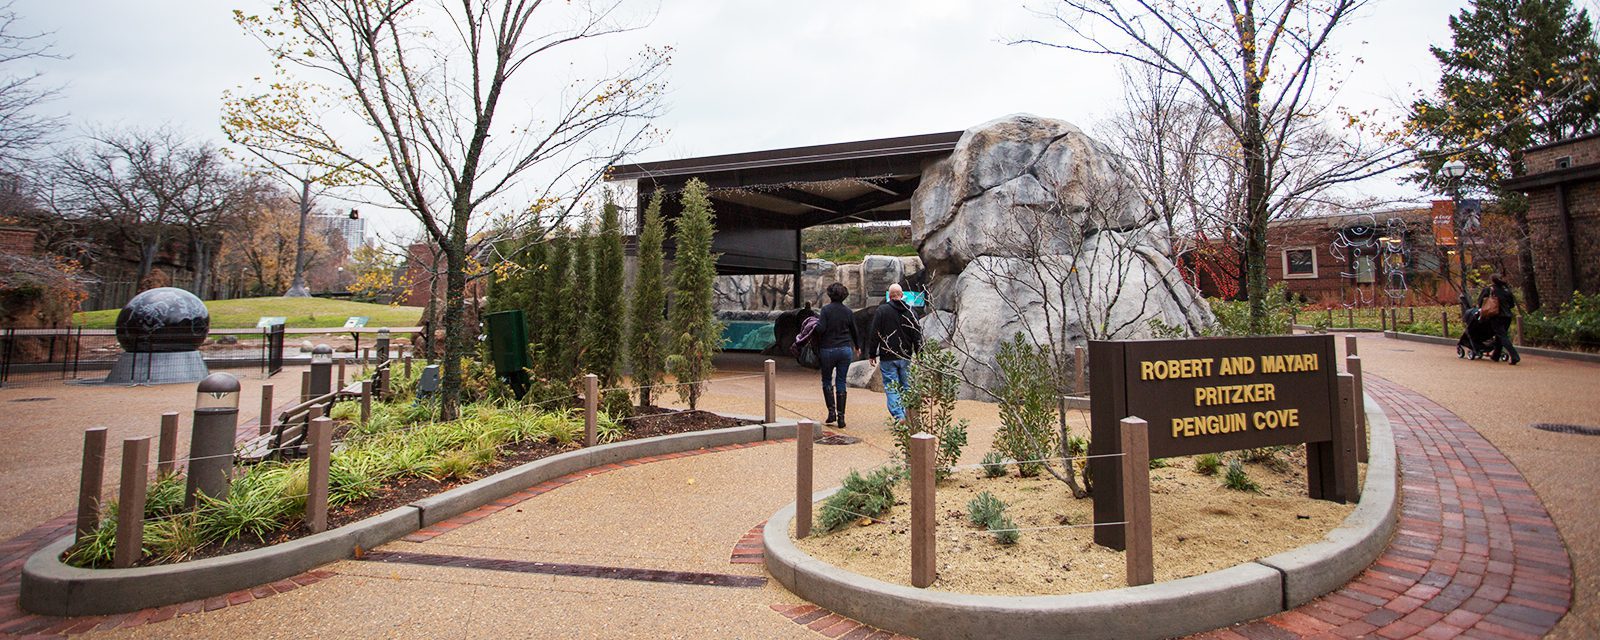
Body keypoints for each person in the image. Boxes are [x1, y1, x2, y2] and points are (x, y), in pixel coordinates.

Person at [867, 284, 922, 423]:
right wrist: (919, 353)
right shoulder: (911, 311)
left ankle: (899, 415)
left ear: (889, 296)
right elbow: (917, 335)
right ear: (902, 295)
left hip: (888, 355)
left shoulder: (882, 311)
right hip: (906, 355)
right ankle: (909, 413)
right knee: (907, 385)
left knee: (891, 386)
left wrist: (872, 353)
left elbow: (875, 333)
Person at [815, 282, 859, 427]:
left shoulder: (826, 310)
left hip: (828, 349)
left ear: (830, 294)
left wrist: (813, 327)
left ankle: (831, 412)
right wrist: (857, 346)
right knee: (841, 381)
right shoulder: (848, 311)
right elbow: (854, 331)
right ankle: (841, 417)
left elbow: (820, 329)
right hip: (845, 349)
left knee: (827, 380)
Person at [1476, 274, 1521, 365]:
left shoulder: (1489, 289)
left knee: (1502, 336)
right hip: (1507, 316)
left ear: (1492, 281)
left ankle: (1514, 356)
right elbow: (1511, 305)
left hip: (1496, 316)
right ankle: (1496, 355)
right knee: (1500, 335)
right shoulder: (1506, 290)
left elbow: (1480, 302)